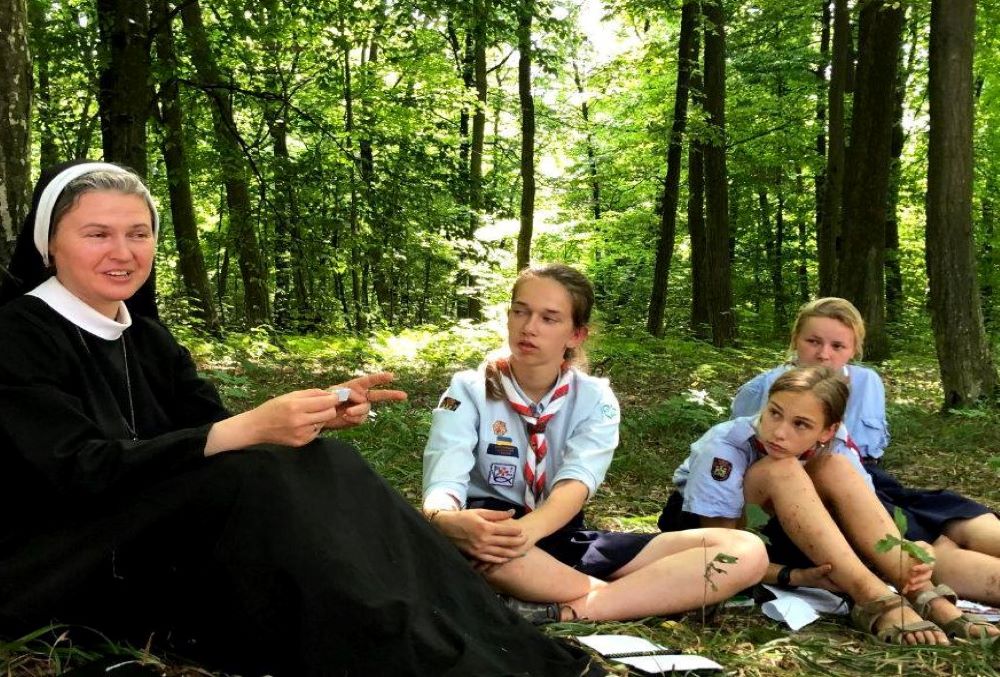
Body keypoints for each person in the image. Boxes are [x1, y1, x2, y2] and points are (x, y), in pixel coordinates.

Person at [0, 161, 603, 676]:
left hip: (153, 524)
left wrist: (312, 413)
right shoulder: (17, 332)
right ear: (50, 242)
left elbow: (209, 430)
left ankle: (460, 624)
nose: (124, 253)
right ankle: (388, 634)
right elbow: (73, 472)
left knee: (322, 459)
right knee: (261, 478)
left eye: (139, 233)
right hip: (64, 557)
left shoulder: (147, 337)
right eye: (97, 234)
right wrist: (248, 430)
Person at [423, 264, 767, 623]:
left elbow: (576, 484)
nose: (529, 326)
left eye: (549, 318)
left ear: (576, 335)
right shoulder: (468, 390)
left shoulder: (594, 398)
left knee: (745, 550)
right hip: (493, 533)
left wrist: (528, 532)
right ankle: (644, 597)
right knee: (487, 555)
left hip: (559, 534)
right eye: (520, 311)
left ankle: (575, 608)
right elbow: (445, 474)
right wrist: (445, 520)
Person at [728, 297, 999, 640]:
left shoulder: (867, 383)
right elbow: (752, 456)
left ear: (854, 348)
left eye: (837, 345)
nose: (824, 354)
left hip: (865, 479)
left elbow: (859, 460)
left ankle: (916, 577)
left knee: (957, 517)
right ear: (795, 339)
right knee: (932, 545)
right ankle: (905, 592)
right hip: (799, 483)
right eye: (813, 342)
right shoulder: (764, 391)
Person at [659, 366, 967, 644]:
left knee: (833, 466)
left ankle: (917, 590)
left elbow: (862, 514)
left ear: (827, 431)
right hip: (711, 533)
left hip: (783, 529)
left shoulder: (836, 444)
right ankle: (873, 598)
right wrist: (792, 576)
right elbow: (720, 553)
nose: (779, 431)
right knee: (782, 468)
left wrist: (907, 552)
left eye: (801, 424)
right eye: (774, 413)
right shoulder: (724, 447)